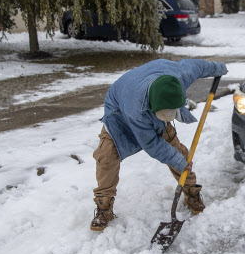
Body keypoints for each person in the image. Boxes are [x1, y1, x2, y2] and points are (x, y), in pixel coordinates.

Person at [90, 58, 227, 231]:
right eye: (163, 116)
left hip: (152, 103)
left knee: (177, 151)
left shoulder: (178, 76)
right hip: (119, 115)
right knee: (106, 157)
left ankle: (190, 189)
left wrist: (218, 68)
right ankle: (104, 206)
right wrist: (179, 162)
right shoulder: (136, 109)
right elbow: (152, 145)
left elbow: (199, 66)